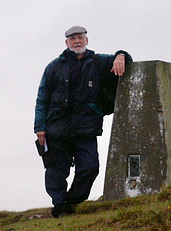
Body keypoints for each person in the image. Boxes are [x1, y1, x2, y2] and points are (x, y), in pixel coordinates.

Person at [34, 26, 132, 217]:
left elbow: (124, 57)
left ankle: (73, 200)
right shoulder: (54, 67)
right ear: (66, 43)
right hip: (57, 128)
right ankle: (60, 204)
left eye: (80, 38)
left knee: (90, 167)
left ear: (87, 40)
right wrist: (40, 127)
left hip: (86, 127)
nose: (77, 41)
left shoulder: (98, 62)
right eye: (72, 39)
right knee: (56, 169)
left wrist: (121, 56)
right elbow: (42, 98)